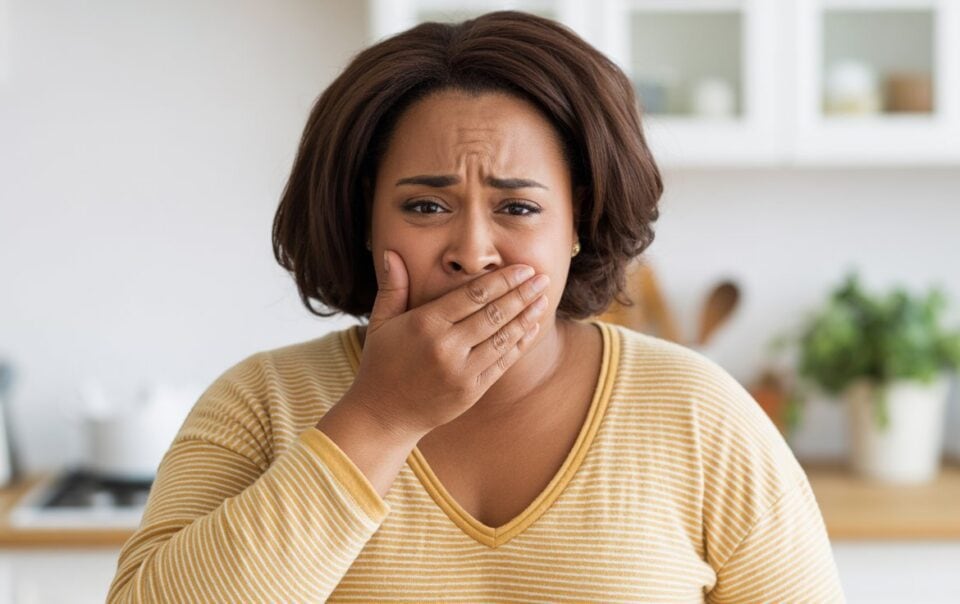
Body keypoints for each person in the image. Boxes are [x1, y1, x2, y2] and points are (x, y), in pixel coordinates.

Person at [107, 10, 845, 603]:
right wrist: (379, 416)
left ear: (578, 221)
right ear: (365, 217)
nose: (473, 251)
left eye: (517, 207)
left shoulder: (702, 417)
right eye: (426, 205)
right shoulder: (258, 405)